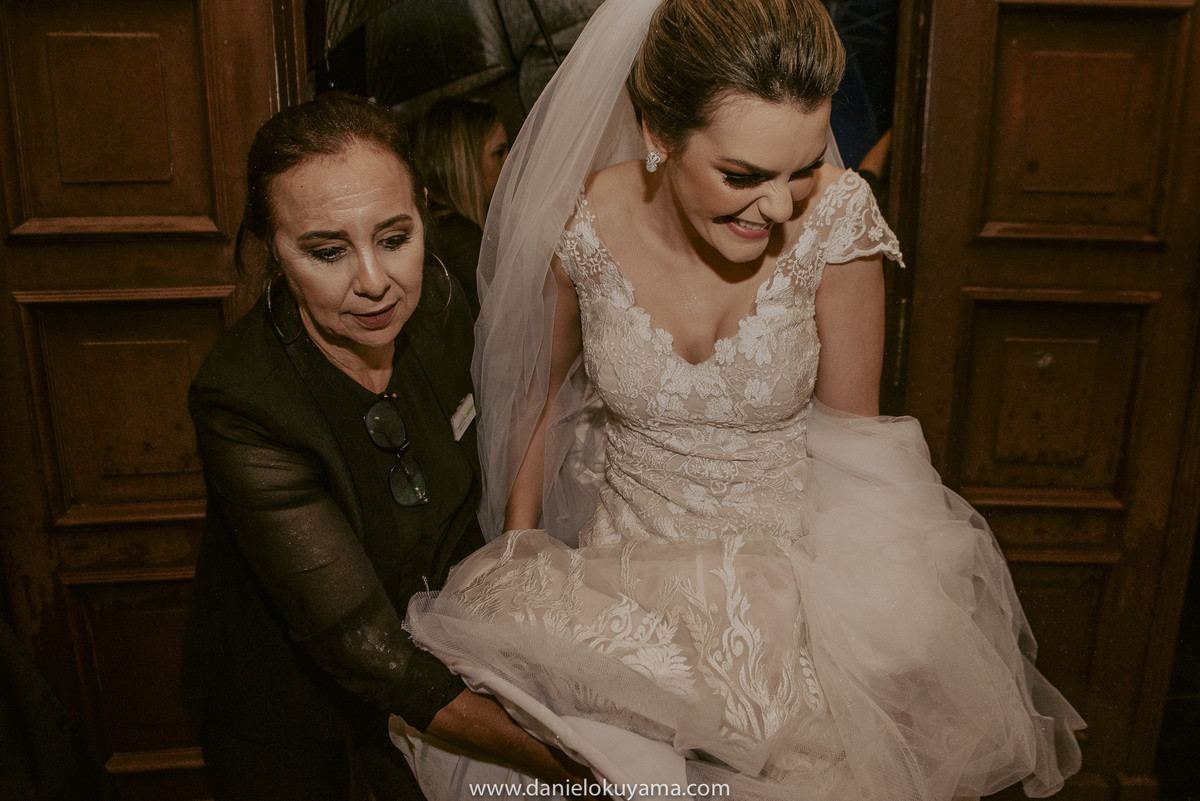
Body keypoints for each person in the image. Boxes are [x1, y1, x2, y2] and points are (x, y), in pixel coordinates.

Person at [403, 1, 1086, 800]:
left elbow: (856, 448)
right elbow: (537, 397)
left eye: (800, 168)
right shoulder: (580, 221)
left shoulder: (836, 222)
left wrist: (878, 635)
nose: (777, 207)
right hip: (615, 603)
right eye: (744, 175)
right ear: (657, 131)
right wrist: (520, 548)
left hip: (782, 606)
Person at [182, 92, 589, 801]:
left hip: (431, 674)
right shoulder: (243, 398)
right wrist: (570, 766)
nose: (374, 282)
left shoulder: (438, 300)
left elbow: (471, 493)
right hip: (288, 710)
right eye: (326, 251)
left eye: (394, 237)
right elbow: (366, 650)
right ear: (273, 251)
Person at [415, 97, 509, 317]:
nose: (509, 162)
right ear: (465, 163)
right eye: (498, 153)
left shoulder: (444, 228)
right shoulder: (460, 243)